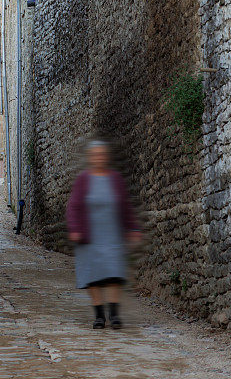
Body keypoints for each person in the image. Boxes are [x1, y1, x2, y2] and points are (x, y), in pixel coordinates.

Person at [66, 140, 141, 330]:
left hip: (112, 234)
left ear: (106, 157)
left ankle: (114, 314)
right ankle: (99, 315)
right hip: (88, 235)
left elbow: (125, 206)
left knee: (114, 273)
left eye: (102, 154)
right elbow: (73, 206)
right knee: (93, 277)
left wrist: (132, 228)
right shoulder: (83, 179)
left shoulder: (115, 179)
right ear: (90, 158)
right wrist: (74, 229)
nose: (99, 157)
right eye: (95, 154)